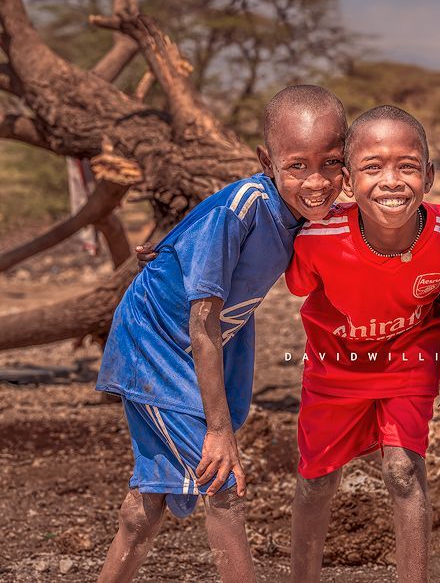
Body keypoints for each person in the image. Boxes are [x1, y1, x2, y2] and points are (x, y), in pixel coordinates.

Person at [95, 85, 348, 583]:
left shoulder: (306, 210)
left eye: (331, 163)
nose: (316, 181)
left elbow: (197, 219)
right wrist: (218, 429)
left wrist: (166, 247)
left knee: (149, 499)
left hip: (209, 344)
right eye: (297, 165)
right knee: (222, 481)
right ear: (267, 161)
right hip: (159, 347)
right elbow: (202, 322)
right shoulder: (247, 207)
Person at [284, 105, 440, 582]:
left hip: (410, 357)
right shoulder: (318, 239)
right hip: (333, 369)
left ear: (427, 174)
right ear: (346, 180)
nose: (391, 181)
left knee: (404, 470)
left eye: (406, 166)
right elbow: (295, 284)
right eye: (372, 167)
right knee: (316, 481)